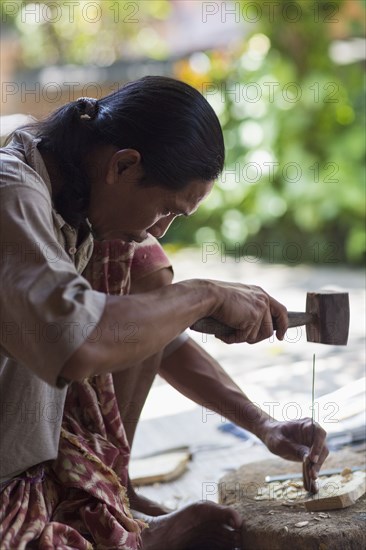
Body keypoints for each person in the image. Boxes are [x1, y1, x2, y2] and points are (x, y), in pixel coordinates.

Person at [0, 76, 328, 549]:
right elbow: (78, 342)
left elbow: (155, 338)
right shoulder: (12, 194)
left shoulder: (67, 190)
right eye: (166, 211)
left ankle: (114, 491)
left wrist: (265, 424)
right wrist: (204, 295)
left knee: (140, 262)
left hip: (27, 467)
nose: (159, 229)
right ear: (124, 166)